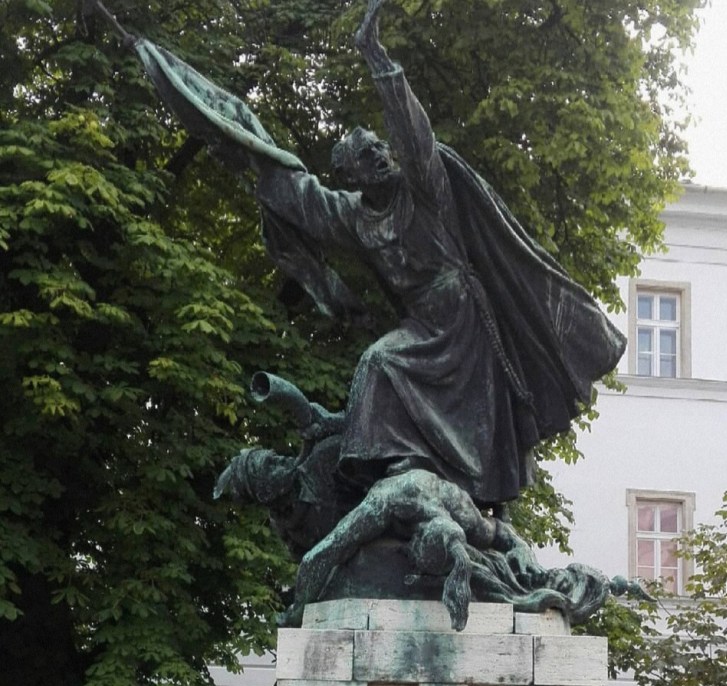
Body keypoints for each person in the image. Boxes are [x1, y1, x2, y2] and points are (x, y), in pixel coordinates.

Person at [132, 0, 626, 510]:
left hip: (464, 326)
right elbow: (298, 193)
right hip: (423, 326)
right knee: (378, 362)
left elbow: (416, 138)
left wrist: (378, 59)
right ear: (352, 176)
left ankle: (447, 492)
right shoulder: (353, 215)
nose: (381, 155)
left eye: (379, 147)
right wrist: (231, 136)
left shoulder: (423, 191)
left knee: (405, 379)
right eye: (368, 155)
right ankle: (391, 476)